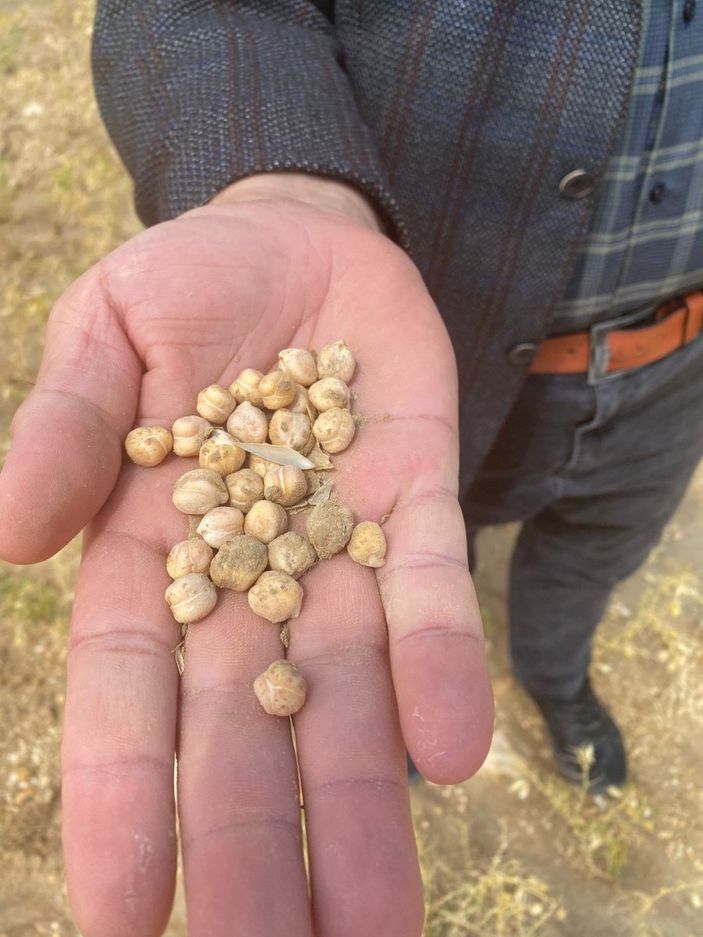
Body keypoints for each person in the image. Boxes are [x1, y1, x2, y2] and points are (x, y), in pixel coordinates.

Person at [1, 1, 702, 935]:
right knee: (433, 558)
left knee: (594, 556)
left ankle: (557, 680)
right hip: (438, 348)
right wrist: (281, 187)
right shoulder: (298, 442)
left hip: (679, 371)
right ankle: (412, 717)